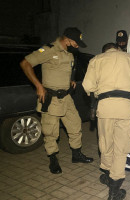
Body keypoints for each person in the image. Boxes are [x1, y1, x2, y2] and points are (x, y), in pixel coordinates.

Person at [82, 43, 130, 200]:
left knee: (106, 143)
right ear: (118, 49)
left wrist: (96, 96)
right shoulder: (129, 58)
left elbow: (87, 85)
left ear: (104, 51)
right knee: (121, 148)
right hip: (125, 108)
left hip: (104, 107)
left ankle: (108, 175)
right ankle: (114, 191)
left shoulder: (96, 59)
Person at [20, 27, 93, 174]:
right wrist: (39, 86)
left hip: (66, 97)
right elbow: (25, 64)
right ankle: (53, 160)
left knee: (75, 125)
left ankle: (76, 154)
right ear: (67, 39)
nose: (78, 45)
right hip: (51, 99)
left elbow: (66, 70)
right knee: (51, 131)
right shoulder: (48, 50)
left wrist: (71, 80)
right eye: (76, 42)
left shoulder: (69, 52)